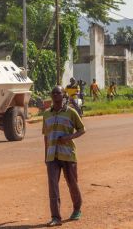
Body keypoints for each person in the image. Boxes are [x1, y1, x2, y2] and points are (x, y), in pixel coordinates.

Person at [42, 85, 86, 226]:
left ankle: (77, 208)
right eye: (53, 93)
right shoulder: (46, 114)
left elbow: (82, 130)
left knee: (72, 183)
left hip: (68, 155)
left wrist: (69, 137)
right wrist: (45, 155)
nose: (55, 95)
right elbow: (46, 136)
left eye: (58, 92)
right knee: (53, 186)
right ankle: (55, 217)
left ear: (63, 95)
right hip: (52, 156)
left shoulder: (71, 112)